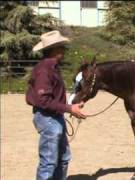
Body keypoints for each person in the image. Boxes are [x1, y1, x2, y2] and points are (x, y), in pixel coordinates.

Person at [26, 30, 86, 180]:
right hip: (47, 119)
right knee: (48, 163)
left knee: (63, 158)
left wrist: (72, 104)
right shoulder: (44, 70)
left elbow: (52, 97)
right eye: (62, 47)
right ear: (55, 50)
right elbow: (43, 100)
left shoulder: (52, 67)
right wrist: (69, 108)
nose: (64, 50)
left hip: (54, 117)